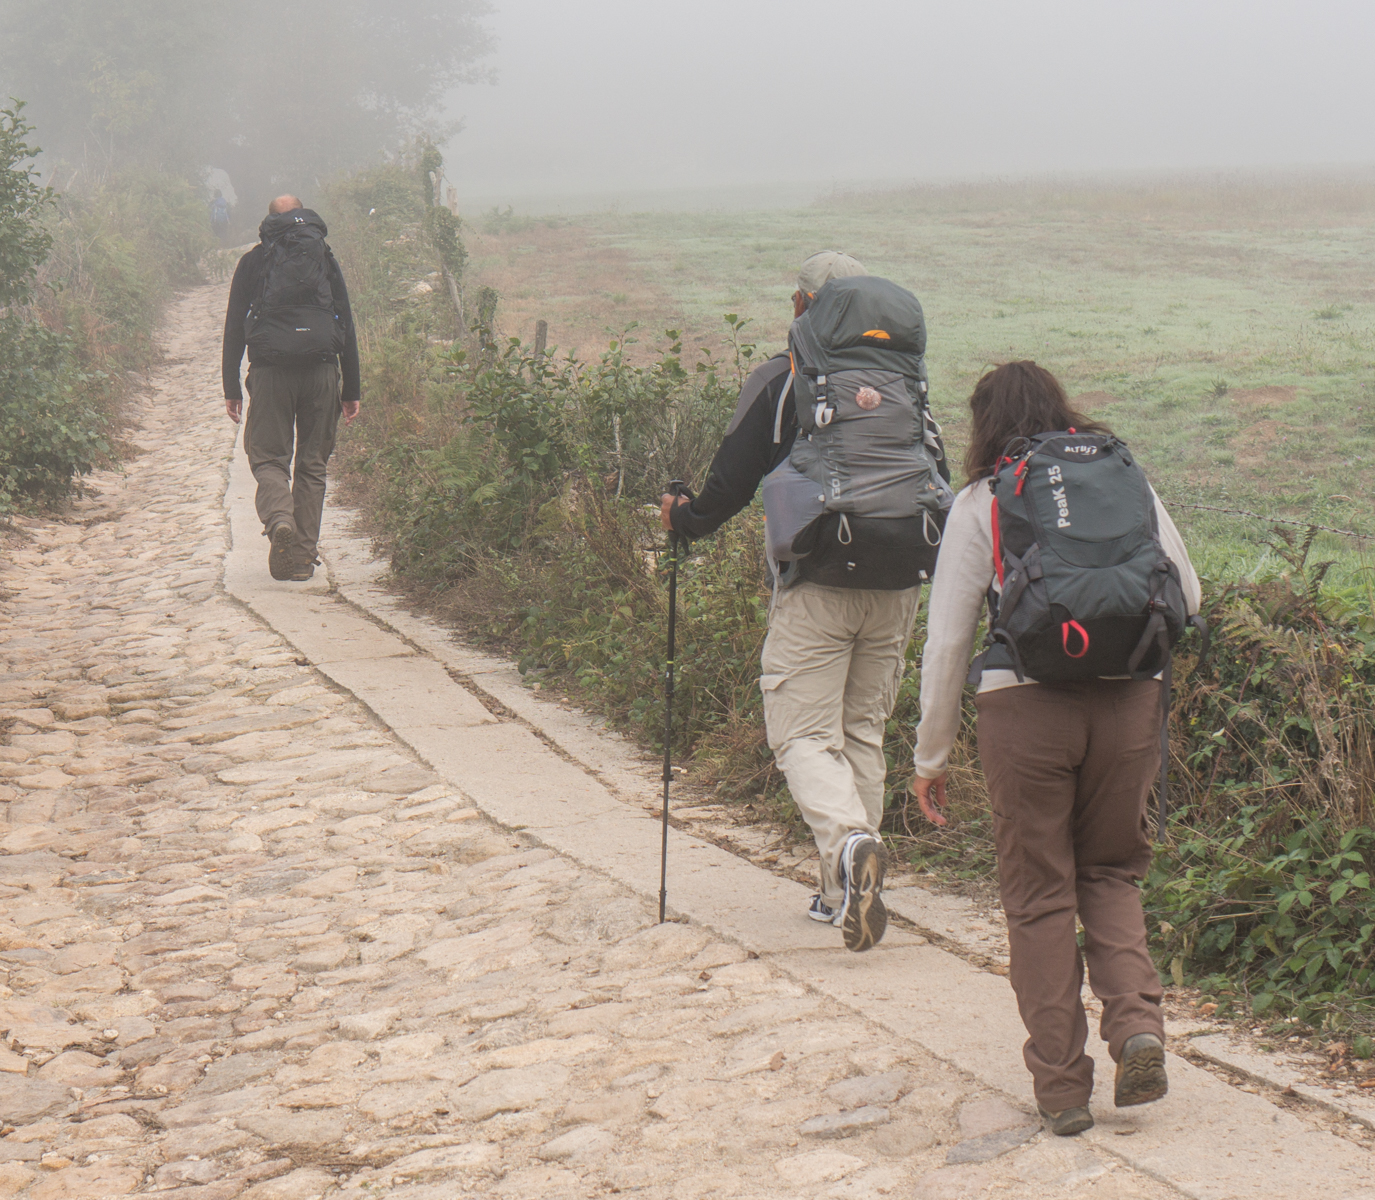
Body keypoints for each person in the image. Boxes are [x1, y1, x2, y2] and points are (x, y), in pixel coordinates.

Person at [910, 361, 1201, 1136]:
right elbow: (1189, 593)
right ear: (1061, 408)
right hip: (1127, 699)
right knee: (1109, 871)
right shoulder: (1122, 477)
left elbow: (946, 639)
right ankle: (1136, 1028)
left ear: (984, 425)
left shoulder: (982, 499)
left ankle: (1062, 1090)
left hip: (1023, 708)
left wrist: (929, 756)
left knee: (1039, 895)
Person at [661, 251, 945, 953]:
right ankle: (836, 891)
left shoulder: (786, 379)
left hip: (818, 578)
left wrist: (685, 520)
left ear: (803, 305)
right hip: (900, 576)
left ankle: (850, 848)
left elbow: (729, 481)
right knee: (860, 732)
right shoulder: (907, 381)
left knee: (799, 732)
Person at [222, 195, 361, 582]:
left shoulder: (254, 260)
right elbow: (345, 323)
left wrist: (231, 385)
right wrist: (352, 388)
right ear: (304, 217)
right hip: (321, 371)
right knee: (313, 465)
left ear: (268, 223)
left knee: (268, 459)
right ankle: (301, 559)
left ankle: (280, 519)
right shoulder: (324, 258)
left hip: (270, 372)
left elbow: (235, 325)